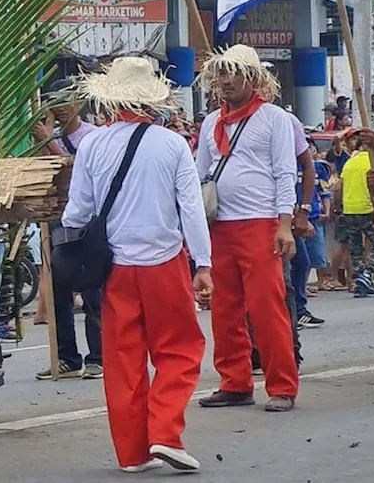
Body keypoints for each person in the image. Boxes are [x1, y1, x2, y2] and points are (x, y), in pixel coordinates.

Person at [61, 57, 210, 473]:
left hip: (114, 268)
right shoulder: (173, 144)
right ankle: (164, 432)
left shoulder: (92, 144)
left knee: (123, 358)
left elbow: (77, 213)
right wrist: (204, 263)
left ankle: (132, 454)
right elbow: (191, 210)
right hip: (164, 261)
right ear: (154, 100)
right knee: (180, 349)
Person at [195, 45, 299, 413]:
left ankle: (282, 386)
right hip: (219, 226)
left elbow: (286, 171)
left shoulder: (274, 119)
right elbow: (199, 176)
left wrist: (285, 224)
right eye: (220, 74)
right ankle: (235, 383)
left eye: (231, 73)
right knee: (224, 310)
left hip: (261, 224)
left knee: (267, 308)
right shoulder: (211, 123)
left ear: (252, 78)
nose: (224, 81)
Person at [32, 78, 103, 380]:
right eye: (53, 102)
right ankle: (66, 356)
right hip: (56, 220)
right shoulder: (51, 135)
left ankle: (98, 356)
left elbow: (80, 175)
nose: (59, 109)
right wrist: (41, 141)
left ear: (77, 101)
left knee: (91, 290)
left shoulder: (94, 137)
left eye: (64, 101)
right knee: (58, 287)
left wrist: (49, 141)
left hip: (87, 223)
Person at [333, 128, 374, 297]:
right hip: (367, 208)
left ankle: (359, 280)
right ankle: (367, 274)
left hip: (349, 210)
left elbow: (338, 188)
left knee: (355, 249)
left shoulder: (349, 163)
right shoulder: (371, 163)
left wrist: (338, 208)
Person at [291, 138, 330, 327]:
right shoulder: (286, 162)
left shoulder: (313, 167)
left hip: (296, 217)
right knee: (297, 264)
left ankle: (297, 310)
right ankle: (294, 311)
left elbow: (322, 191)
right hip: (282, 218)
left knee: (302, 263)